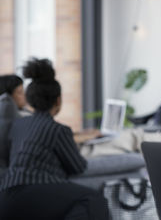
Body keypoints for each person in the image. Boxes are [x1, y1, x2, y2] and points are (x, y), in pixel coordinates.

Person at [0, 58, 109, 219]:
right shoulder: (59, 130)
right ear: (58, 101)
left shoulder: (19, 124)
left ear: (30, 100)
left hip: (5, 195)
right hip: (33, 190)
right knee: (93, 200)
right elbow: (78, 167)